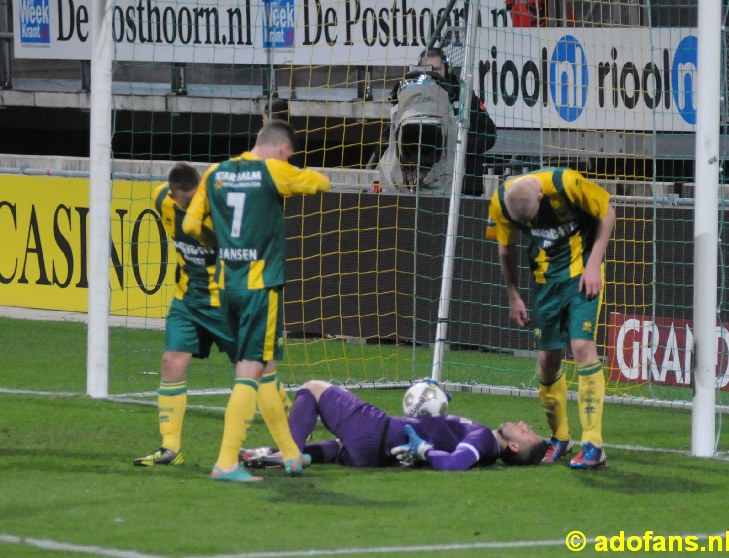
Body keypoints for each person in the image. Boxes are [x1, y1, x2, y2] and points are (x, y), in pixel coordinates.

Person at [183, 121, 331, 482]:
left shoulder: (215, 173)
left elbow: (189, 225)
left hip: (227, 285)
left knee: (265, 371)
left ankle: (292, 454)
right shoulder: (273, 170)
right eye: (289, 154)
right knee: (249, 371)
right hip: (260, 288)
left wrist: (222, 244)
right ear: (283, 149)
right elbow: (320, 183)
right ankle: (226, 461)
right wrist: (296, 174)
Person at [486, 168, 616, 469]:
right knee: (547, 360)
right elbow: (506, 248)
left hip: (582, 273)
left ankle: (594, 443)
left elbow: (608, 212)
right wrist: (513, 295)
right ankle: (560, 437)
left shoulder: (567, 183)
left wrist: (594, 264)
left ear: (542, 196)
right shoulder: (501, 201)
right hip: (545, 283)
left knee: (582, 347)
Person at [133, 162, 236, 467]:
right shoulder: (160, 199)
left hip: (225, 301)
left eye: (194, 199)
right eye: (185, 201)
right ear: (174, 195)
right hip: (187, 299)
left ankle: (296, 432)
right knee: (171, 361)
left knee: (255, 369)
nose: (189, 205)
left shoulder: (221, 207)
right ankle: (170, 448)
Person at [240, 380, 549, 471]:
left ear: (512, 446)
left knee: (313, 388)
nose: (522, 423)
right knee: (335, 449)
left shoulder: (483, 439)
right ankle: (270, 454)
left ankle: (290, 452)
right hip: (374, 455)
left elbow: (454, 464)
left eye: (525, 432)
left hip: (378, 430)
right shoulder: (484, 445)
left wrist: (424, 449)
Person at [375, 48, 497, 196]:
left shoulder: (463, 95)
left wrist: (456, 143)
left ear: (447, 69)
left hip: (464, 186)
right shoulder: (410, 97)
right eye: (428, 69)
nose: (432, 74)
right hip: (419, 189)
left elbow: (489, 135)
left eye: (437, 69)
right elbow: (388, 141)